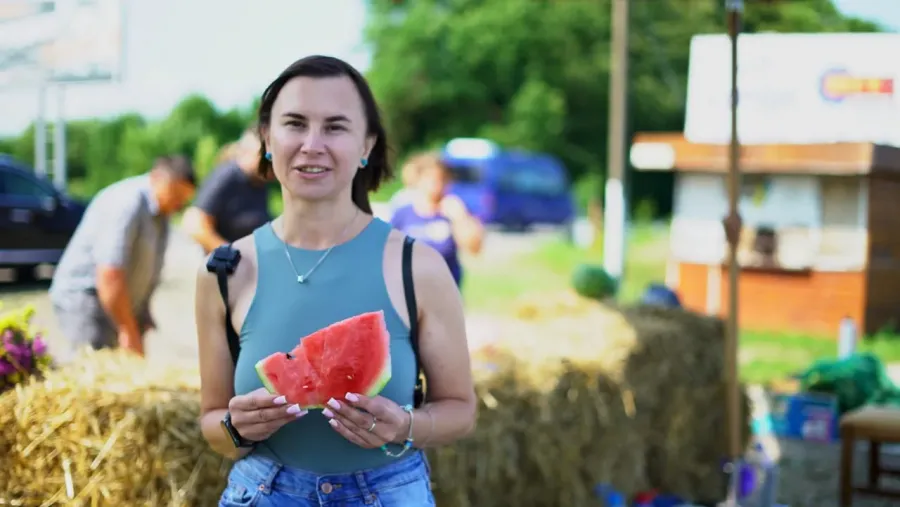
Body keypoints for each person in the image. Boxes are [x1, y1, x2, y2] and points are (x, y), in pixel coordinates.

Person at [194, 55, 476, 506]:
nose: (311, 143)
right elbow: (213, 426)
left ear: (366, 146)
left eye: (335, 126)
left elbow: (461, 411)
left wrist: (408, 427)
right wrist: (234, 427)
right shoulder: (224, 271)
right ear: (267, 139)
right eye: (294, 123)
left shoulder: (416, 266)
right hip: (264, 492)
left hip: (387, 492)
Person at [49, 155, 197, 358]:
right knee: (92, 372)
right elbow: (109, 273)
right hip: (86, 301)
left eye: (184, 200)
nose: (178, 204)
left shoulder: (162, 212)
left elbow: (147, 268)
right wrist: (128, 329)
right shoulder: (127, 203)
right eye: (176, 195)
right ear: (156, 177)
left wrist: (141, 313)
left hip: (115, 304)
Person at [389, 152, 484, 288]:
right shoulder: (404, 213)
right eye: (431, 179)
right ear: (418, 180)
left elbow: (474, 248)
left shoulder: (452, 210)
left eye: (442, 179)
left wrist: (460, 218)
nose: (436, 184)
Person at [182, 128, 272, 254]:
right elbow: (194, 223)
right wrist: (231, 256)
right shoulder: (228, 176)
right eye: (266, 156)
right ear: (247, 152)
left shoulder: (259, 183)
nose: (270, 162)